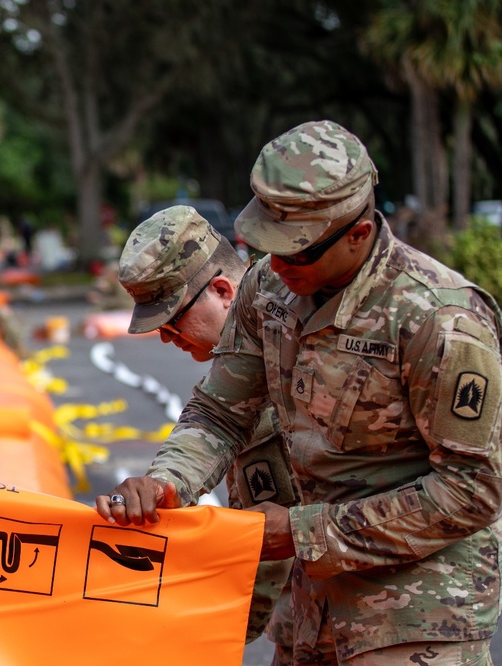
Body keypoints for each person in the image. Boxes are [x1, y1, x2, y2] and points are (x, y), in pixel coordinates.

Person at [97, 120, 502, 664]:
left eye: (297, 251)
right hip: (313, 608)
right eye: (266, 244)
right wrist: (168, 484)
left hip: (418, 612)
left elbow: (474, 489)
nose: (276, 265)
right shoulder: (267, 289)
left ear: (358, 234)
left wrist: (302, 533)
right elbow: (220, 412)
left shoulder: (439, 318)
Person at [117, 205, 297, 661]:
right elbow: (215, 418)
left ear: (222, 290)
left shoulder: (306, 337)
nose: (166, 339)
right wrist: (163, 486)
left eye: (173, 320)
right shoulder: (241, 371)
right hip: (308, 623)